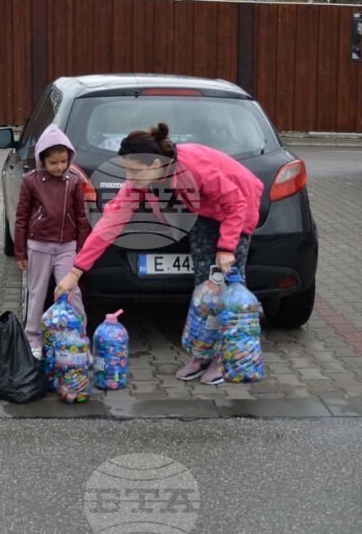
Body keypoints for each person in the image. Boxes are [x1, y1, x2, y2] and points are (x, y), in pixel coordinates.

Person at [54, 122, 263, 385]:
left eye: (134, 171)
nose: (129, 177)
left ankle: (229, 357)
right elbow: (109, 224)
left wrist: (225, 248)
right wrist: (76, 271)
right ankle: (203, 354)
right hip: (206, 211)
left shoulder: (195, 167)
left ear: (154, 164)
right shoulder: (143, 180)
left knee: (230, 287)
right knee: (204, 287)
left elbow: (236, 203)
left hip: (238, 206)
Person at [15, 124, 92, 359]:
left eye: (63, 161)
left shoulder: (74, 181)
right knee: (37, 293)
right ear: (42, 160)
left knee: (71, 292)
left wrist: (82, 249)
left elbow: (81, 216)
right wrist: (20, 252)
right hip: (37, 245)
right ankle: (33, 339)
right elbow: (21, 216)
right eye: (53, 162)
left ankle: (80, 339)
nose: (59, 167)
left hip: (67, 247)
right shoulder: (31, 181)